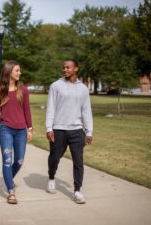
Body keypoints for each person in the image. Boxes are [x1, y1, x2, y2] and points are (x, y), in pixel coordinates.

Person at [45, 58, 93, 204]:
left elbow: (86, 111)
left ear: (76, 69)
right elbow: (50, 108)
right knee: (55, 157)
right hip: (59, 129)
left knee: (78, 161)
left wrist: (89, 131)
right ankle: (51, 177)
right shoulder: (56, 86)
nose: (65, 70)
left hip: (77, 130)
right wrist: (49, 128)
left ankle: (77, 191)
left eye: (68, 67)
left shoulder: (83, 88)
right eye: (63, 67)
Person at [0, 60, 33, 204]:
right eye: (17, 70)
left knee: (19, 161)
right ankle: (11, 191)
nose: (19, 73)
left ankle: (7, 179)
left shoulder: (24, 90)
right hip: (6, 130)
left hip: (21, 131)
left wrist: (30, 128)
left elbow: (27, 110)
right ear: (9, 72)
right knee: (7, 160)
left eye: (19, 70)